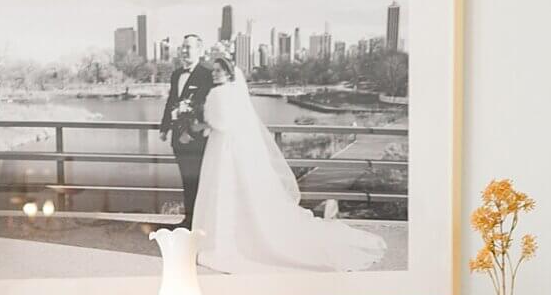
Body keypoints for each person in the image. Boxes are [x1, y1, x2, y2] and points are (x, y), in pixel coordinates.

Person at [193, 50, 385, 277]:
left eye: (218, 70)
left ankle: (221, 242)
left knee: (223, 192)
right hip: (236, 149)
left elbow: (220, 123)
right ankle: (240, 236)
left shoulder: (218, 94)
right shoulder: (236, 92)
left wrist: (199, 122)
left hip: (223, 150)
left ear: (228, 72)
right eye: (214, 70)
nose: (214, 74)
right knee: (239, 194)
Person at [160, 32, 217, 229]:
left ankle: (201, 223)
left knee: (201, 181)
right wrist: (164, 127)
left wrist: (191, 133)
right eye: (183, 47)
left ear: (200, 51)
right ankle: (189, 220)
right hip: (178, 139)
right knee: (187, 180)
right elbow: (171, 101)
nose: (184, 51)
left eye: (189, 47)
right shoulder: (176, 74)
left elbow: (208, 108)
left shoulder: (208, 74)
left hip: (198, 140)